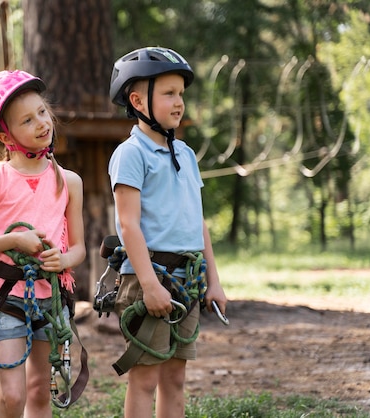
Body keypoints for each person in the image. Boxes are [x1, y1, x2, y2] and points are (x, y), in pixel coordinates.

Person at [107, 46, 228, 418]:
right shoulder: (131, 154)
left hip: (186, 282)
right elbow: (128, 224)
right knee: (145, 380)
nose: (179, 103)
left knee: (175, 378)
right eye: (169, 93)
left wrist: (214, 281)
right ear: (138, 100)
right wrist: (149, 285)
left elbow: (198, 222)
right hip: (150, 279)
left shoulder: (187, 155)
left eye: (182, 95)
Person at [0, 70, 86, 418]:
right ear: (6, 135)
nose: (41, 123)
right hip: (5, 295)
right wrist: (15, 239)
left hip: (50, 298)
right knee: (13, 397)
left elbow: (79, 249)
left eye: (42, 112)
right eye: (27, 120)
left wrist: (63, 260)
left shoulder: (69, 181)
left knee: (38, 394)